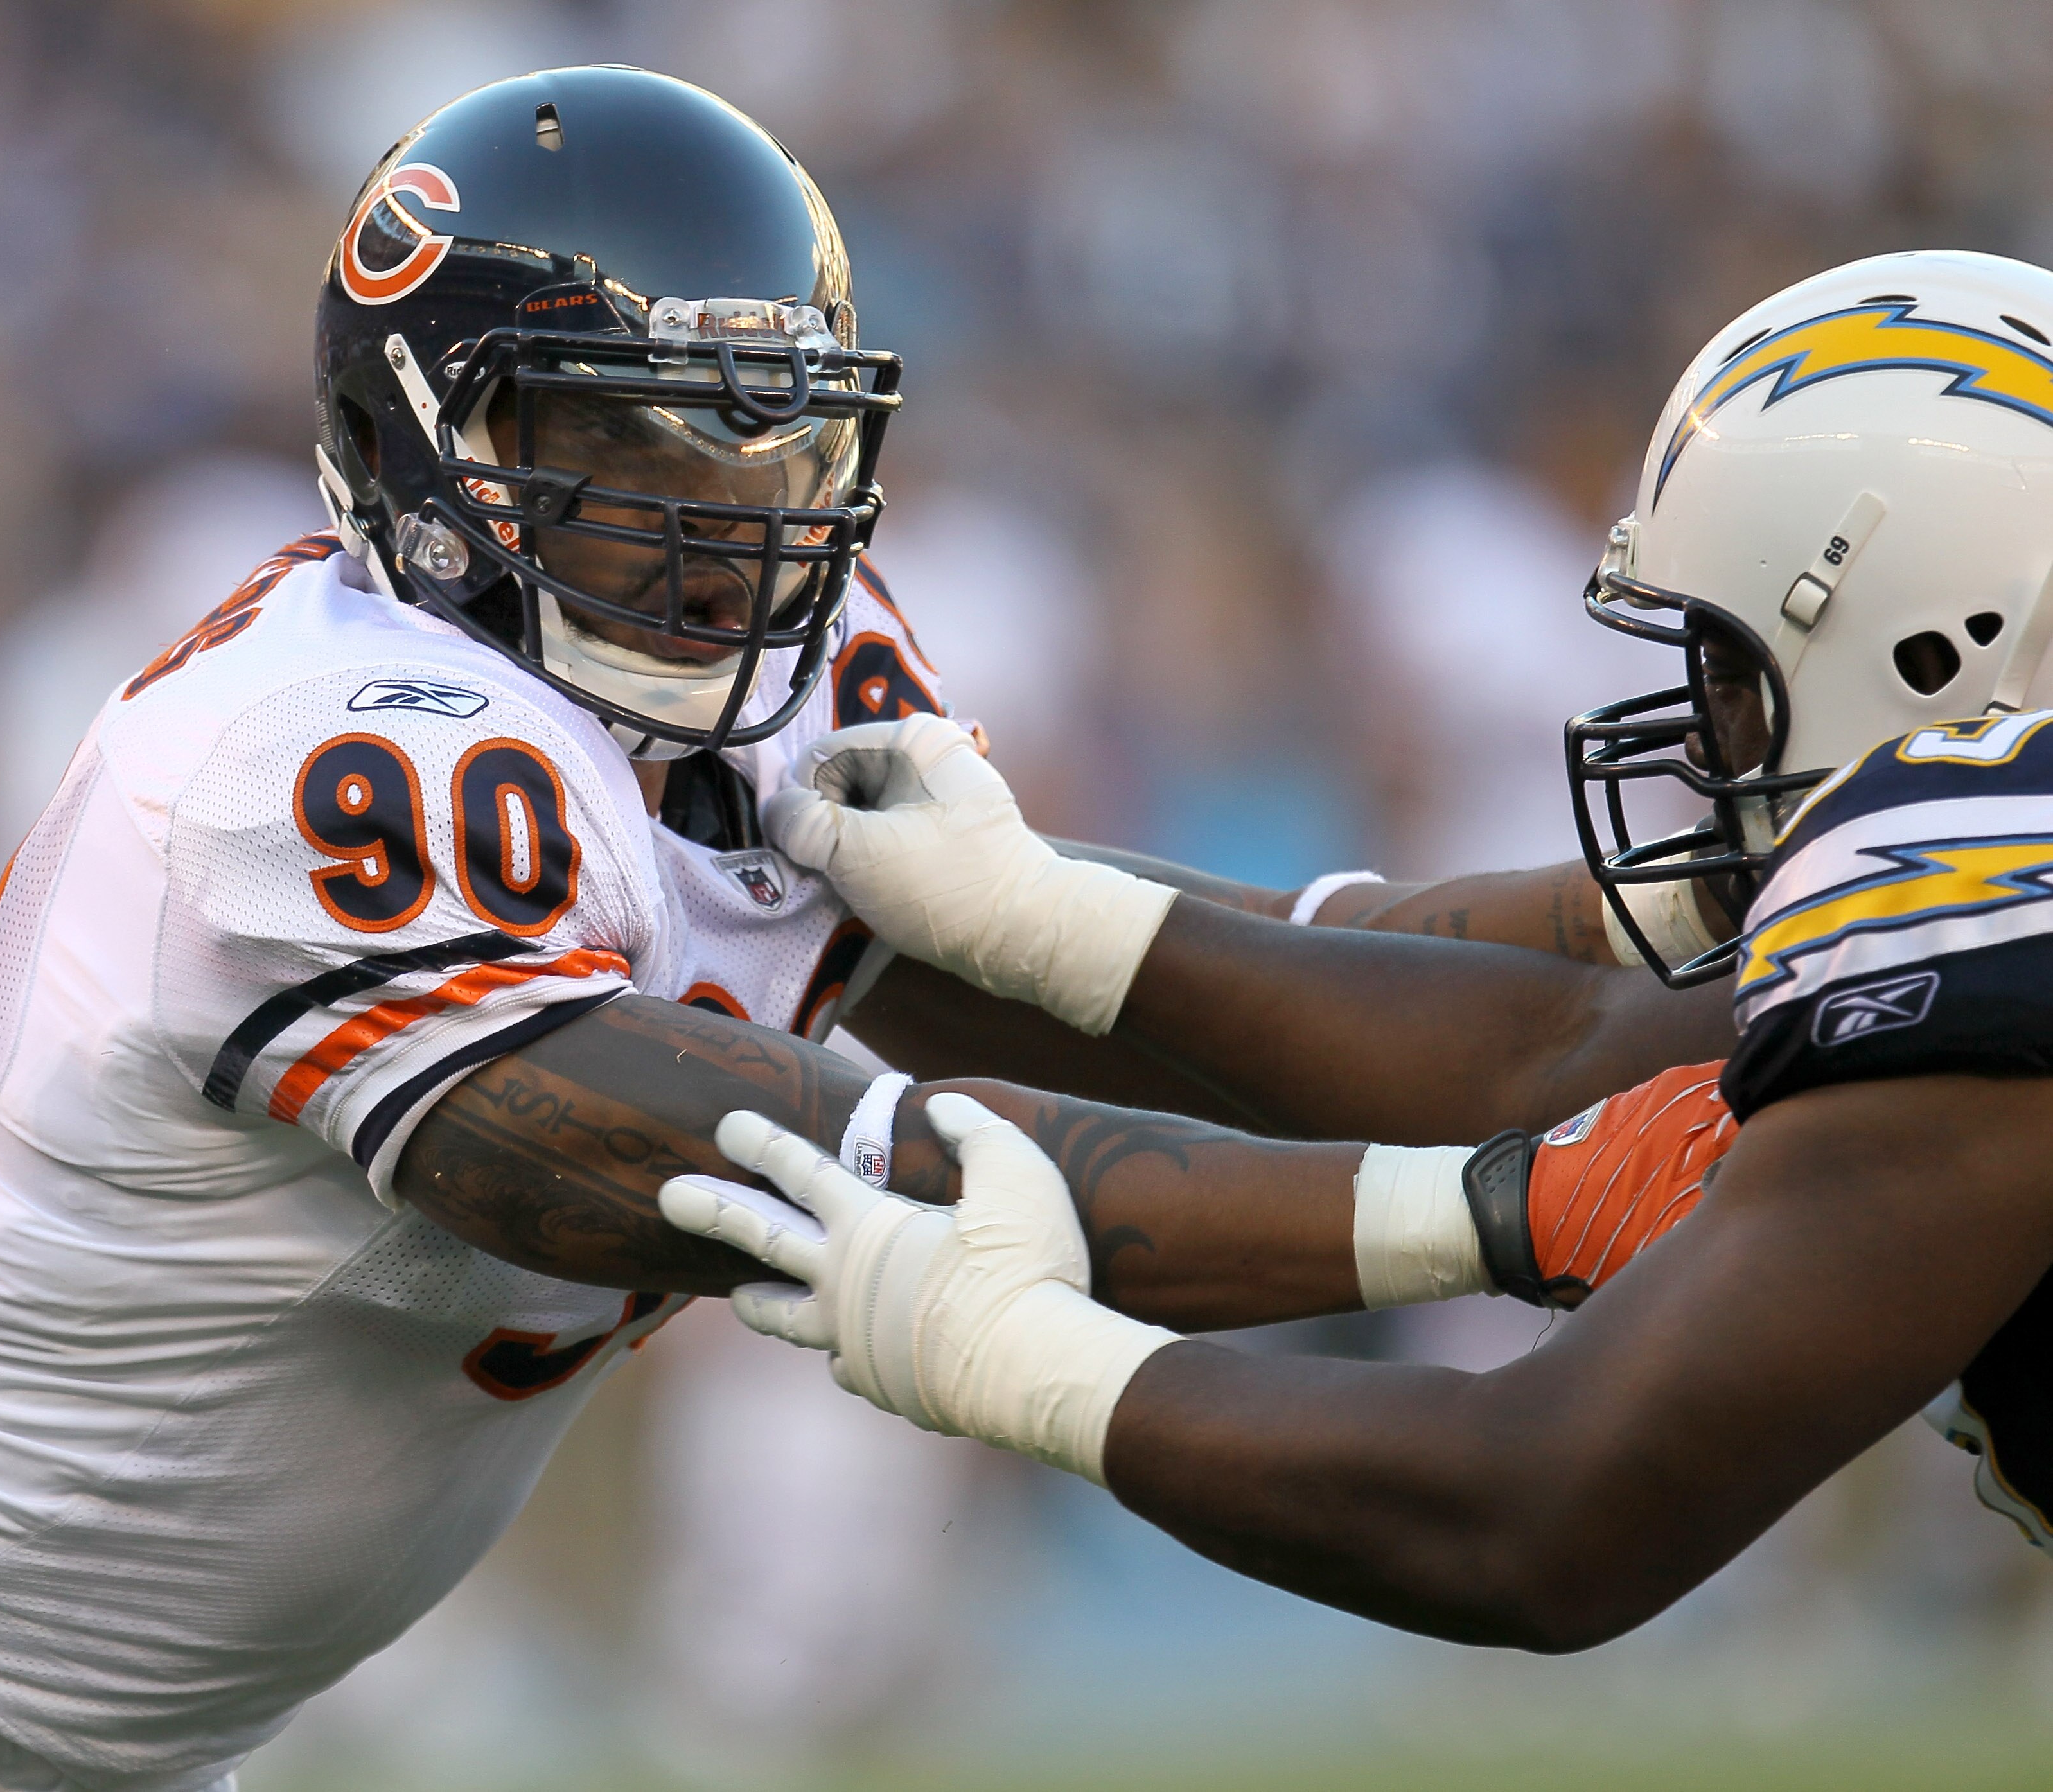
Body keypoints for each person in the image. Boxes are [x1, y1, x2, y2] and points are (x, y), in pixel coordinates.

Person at [0, 67, 1018, 1792]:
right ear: (416, 460)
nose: (710, 519)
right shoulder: (331, 747)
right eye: (610, 447)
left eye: (745, 442)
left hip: (106, 1713)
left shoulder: (737, 719)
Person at [658, 250, 2053, 1635]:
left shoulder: (1995, 879)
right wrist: (1028, 915)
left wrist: (1032, 1363)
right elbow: (1556, 1051)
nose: (1704, 731)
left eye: (1734, 669)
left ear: (1949, 639)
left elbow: (1540, 1514)